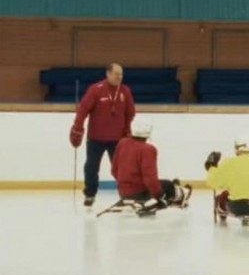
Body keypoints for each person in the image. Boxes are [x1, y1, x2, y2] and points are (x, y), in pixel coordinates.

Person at [69, 63, 136, 207]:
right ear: (108, 74)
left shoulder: (125, 91)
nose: (119, 77)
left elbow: (130, 113)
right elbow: (83, 110)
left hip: (118, 139)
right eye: (116, 73)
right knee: (91, 167)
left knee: (121, 169)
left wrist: (128, 131)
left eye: (121, 74)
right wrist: (77, 127)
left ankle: (126, 195)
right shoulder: (96, 89)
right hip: (95, 138)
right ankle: (90, 194)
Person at [111, 120, 192, 215]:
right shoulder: (148, 149)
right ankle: (181, 195)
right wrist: (159, 196)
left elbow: (114, 171)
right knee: (168, 185)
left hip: (123, 192)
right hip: (140, 194)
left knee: (164, 184)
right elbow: (150, 179)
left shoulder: (122, 143)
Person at [205, 135, 249, 224]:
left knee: (222, 196)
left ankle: (221, 210)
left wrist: (212, 167)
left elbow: (213, 182)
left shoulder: (229, 162)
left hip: (237, 207)